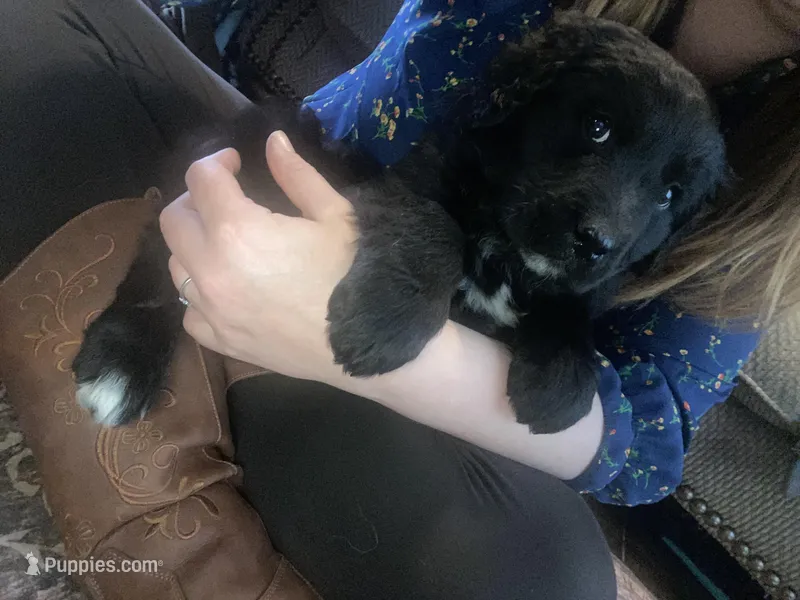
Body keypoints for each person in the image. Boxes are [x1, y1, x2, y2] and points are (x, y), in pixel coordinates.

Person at [1, 0, 797, 598]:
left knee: (543, 578)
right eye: (593, 128)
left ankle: (166, 455)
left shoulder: (766, 192)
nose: (612, 214)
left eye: (665, 193)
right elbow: (317, 140)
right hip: (289, 168)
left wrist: (378, 352)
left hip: (410, 382)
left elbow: (646, 440)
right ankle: (149, 331)